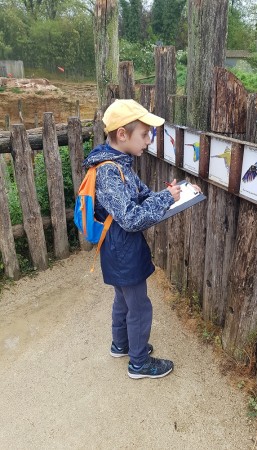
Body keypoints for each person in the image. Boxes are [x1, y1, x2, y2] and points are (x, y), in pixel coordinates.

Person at [83, 99, 181, 379]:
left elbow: (142, 195)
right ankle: (138, 363)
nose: (149, 141)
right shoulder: (109, 171)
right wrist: (164, 199)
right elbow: (131, 218)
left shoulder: (120, 165)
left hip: (117, 247)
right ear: (122, 135)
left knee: (123, 300)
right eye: (145, 134)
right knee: (138, 305)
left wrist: (170, 194)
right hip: (121, 249)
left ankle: (121, 344)